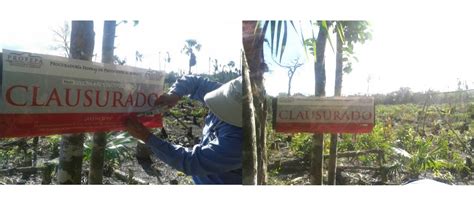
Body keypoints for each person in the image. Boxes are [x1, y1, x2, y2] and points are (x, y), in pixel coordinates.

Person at [125, 75, 242, 184]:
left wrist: (147, 137)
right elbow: (194, 82)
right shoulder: (233, 92)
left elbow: (193, 161)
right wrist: (174, 94)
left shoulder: (240, 143)